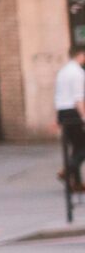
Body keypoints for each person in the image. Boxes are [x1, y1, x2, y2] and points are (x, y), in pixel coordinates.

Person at [55, 42, 85, 190]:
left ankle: (76, 183)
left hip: (62, 112)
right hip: (73, 113)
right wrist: (84, 117)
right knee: (82, 148)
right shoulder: (78, 73)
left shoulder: (63, 71)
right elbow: (78, 98)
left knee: (75, 147)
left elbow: (59, 96)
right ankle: (67, 171)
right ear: (81, 55)